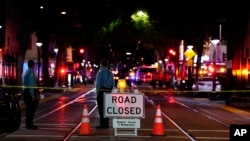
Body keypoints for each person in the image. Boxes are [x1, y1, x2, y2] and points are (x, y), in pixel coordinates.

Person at [95, 60, 115, 129]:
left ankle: (102, 124)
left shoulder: (100, 73)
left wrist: (97, 93)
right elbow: (113, 84)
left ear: (101, 65)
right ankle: (106, 124)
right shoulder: (110, 73)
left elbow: (98, 84)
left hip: (101, 91)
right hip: (108, 92)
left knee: (101, 108)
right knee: (107, 108)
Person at [22, 60, 38, 129]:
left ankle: (28, 124)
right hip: (29, 92)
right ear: (32, 65)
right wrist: (32, 95)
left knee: (28, 109)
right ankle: (30, 124)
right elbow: (31, 84)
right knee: (31, 109)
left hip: (26, 91)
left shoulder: (26, 72)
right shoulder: (31, 72)